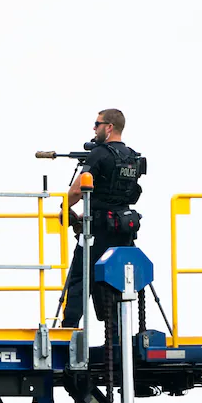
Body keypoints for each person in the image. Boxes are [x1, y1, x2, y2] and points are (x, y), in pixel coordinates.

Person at [65, 109, 144, 325]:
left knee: (79, 282)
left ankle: (68, 334)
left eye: (97, 124)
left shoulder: (99, 153)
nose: (94, 128)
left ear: (109, 127)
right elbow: (118, 194)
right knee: (115, 284)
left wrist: (64, 208)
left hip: (97, 230)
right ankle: (117, 340)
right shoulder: (133, 157)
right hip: (123, 231)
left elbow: (77, 190)